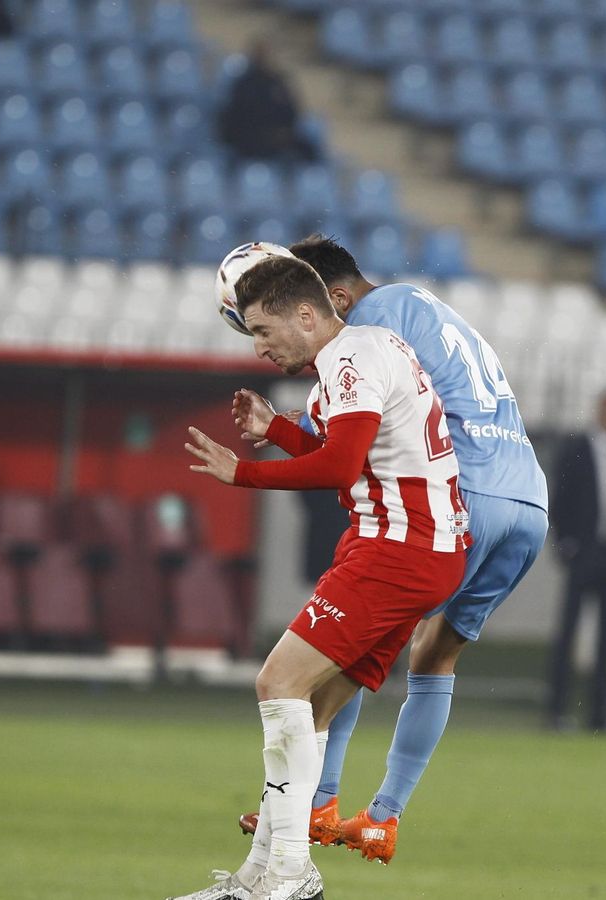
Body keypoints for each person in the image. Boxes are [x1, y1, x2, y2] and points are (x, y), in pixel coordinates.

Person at [234, 235, 550, 865]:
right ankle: (383, 818)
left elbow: (351, 438)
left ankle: (318, 802)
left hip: (465, 494)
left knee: (343, 646)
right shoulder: (423, 307)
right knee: (434, 660)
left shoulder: (366, 331)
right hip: (528, 499)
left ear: (335, 298)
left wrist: (275, 436)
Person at [174, 256, 469, 900]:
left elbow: (338, 467)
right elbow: (358, 460)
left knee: (277, 681)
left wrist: (242, 473)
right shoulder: (367, 350)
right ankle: (262, 875)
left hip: (397, 545)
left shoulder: (352, 359)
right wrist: (275, 430)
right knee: (309, 709)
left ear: (307, 314)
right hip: (422, 548)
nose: (258, 346)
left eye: (261, 329)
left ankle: (288, 875)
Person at [545, 390, 606, 733]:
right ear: (601, 411)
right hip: (586, 552)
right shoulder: (580, 449)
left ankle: (599, 715)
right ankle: (556, 711)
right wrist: (566, 544)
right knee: (569, 633)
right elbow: (561, 498)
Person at [216, 40, 318, 163]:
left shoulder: (278, 82)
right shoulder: (243, 85)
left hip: (277, 138)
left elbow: (291, 112)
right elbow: (235, 117)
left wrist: (283, 131)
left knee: (308, 150)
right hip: (250, 139)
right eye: (259, 55)